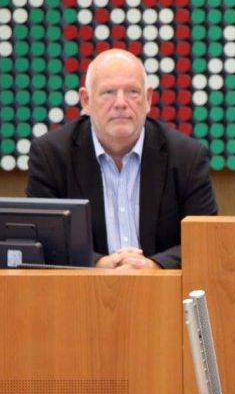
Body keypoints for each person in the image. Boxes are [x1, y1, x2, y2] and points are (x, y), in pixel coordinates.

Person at [26, 49, 217, 269]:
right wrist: (99, 264)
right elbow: (43, 243)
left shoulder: (187, 157)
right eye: (108, 92)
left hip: (164, 295)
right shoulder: (51, 156)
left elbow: (206, 241)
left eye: (132, 92)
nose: (121, 103)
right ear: (86, 101)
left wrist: (154, 266)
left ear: (148, 99)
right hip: (83, 294)